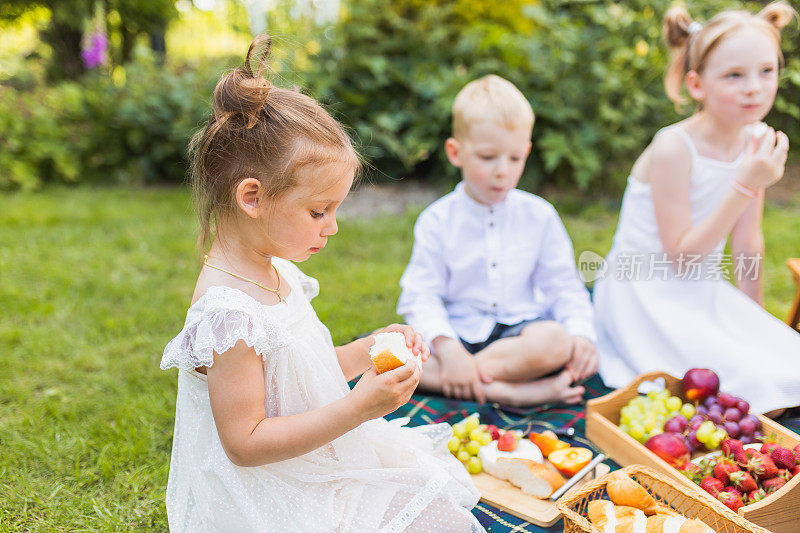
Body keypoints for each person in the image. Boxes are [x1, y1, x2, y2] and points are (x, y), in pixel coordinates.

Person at [159, 35, 484, 532]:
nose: (332, 227)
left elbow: (299, 373)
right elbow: (246, 442)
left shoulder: (277, 270)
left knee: (436, 505)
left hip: (313, 456)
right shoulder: (228, 316)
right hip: (270, 493)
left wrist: (368, 348)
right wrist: (359, 407)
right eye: (319, 211)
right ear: (253, 197)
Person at [593, 1, 800, 415]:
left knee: (787, 366)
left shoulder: (755, 140)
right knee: (747, 388)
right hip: (646, 291)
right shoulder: (674, 147)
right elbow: (681, 257)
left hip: (701, 289)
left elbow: (747, 242)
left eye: (766, 71)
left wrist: (755, 322)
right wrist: (745, 184)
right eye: (734, 75)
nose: (754, 88)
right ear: (696, 84)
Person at [397, 75, 598, 408]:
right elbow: (420, 295)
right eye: (488, 157)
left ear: (527, 152)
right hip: (456, 333)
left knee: (556, 342)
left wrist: (582, 334)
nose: (503, 171)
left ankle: (464, 379)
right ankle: (509, 393)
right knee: (390, 350)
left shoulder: (540, 215)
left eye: (515, 158)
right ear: (456, 152)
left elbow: (564, 285)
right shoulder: (437, 220)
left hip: (518, 338)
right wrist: (449, 349)